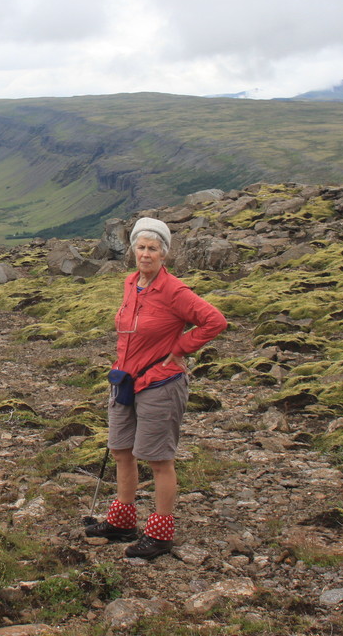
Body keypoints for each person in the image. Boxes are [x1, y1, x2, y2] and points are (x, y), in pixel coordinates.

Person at [84, 217, 228, 559]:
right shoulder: (131, 283)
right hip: (126, 381)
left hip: (160, 384)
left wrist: (179, 350)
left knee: (158, 459)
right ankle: (123, 521)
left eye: (152, 249)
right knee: (121, 451)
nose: (145, 254)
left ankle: (160, 534)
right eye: (140, 247)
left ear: (164, 254)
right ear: (133, 249)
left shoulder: (174, 291)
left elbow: (215, 321)